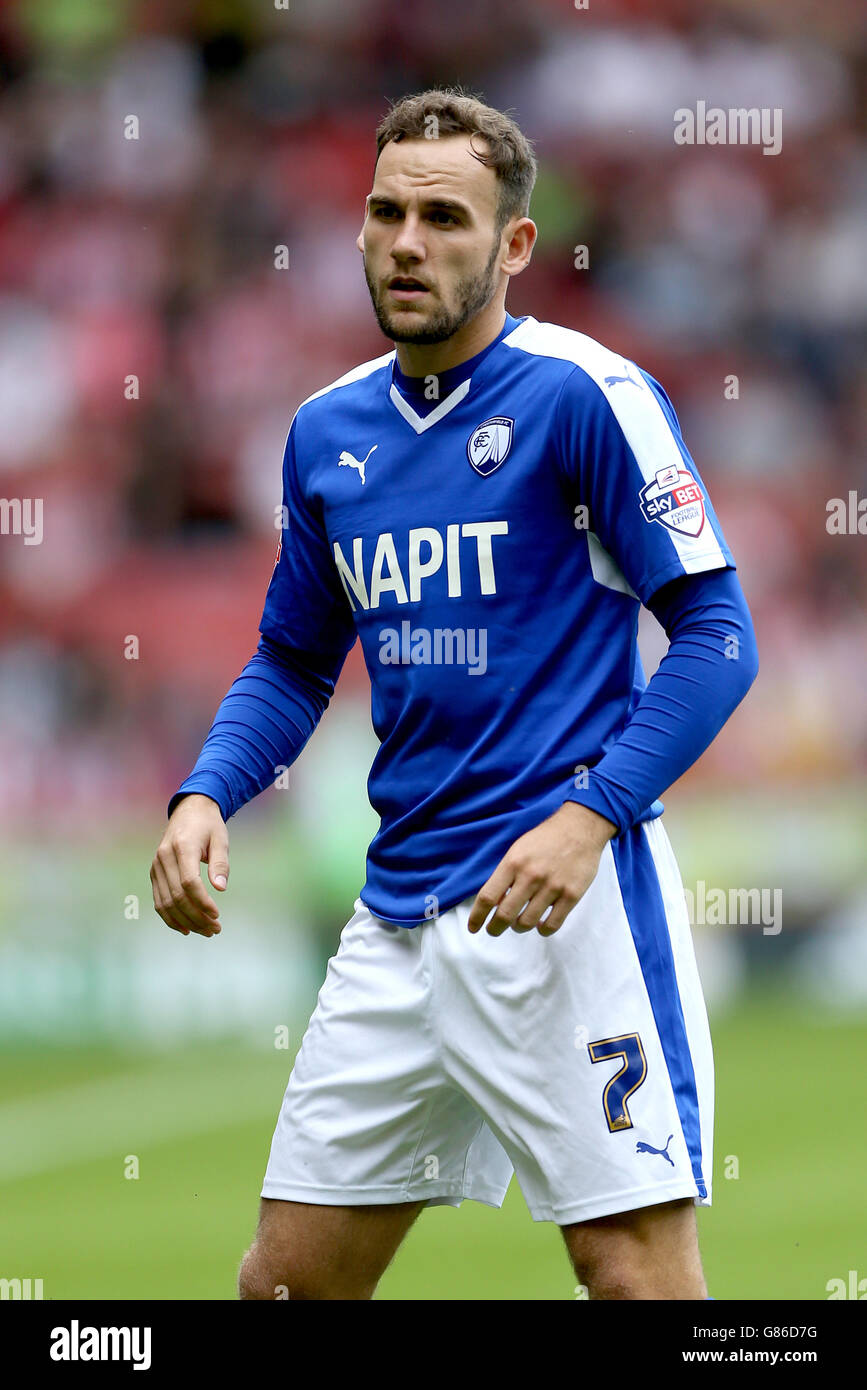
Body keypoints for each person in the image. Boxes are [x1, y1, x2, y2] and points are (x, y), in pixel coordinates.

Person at [150, 87, 758, 1300]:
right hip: (397, 917)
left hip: (564, 913)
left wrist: (595, 815)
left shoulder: (588, 397)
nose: (408, 242)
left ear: (516, 244)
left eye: (445, 216)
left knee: (634, 1275)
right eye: (385, 212)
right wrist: (208, 789)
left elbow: (717, 636)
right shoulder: (328, 434)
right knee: (285, 1285)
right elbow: (292, 659)